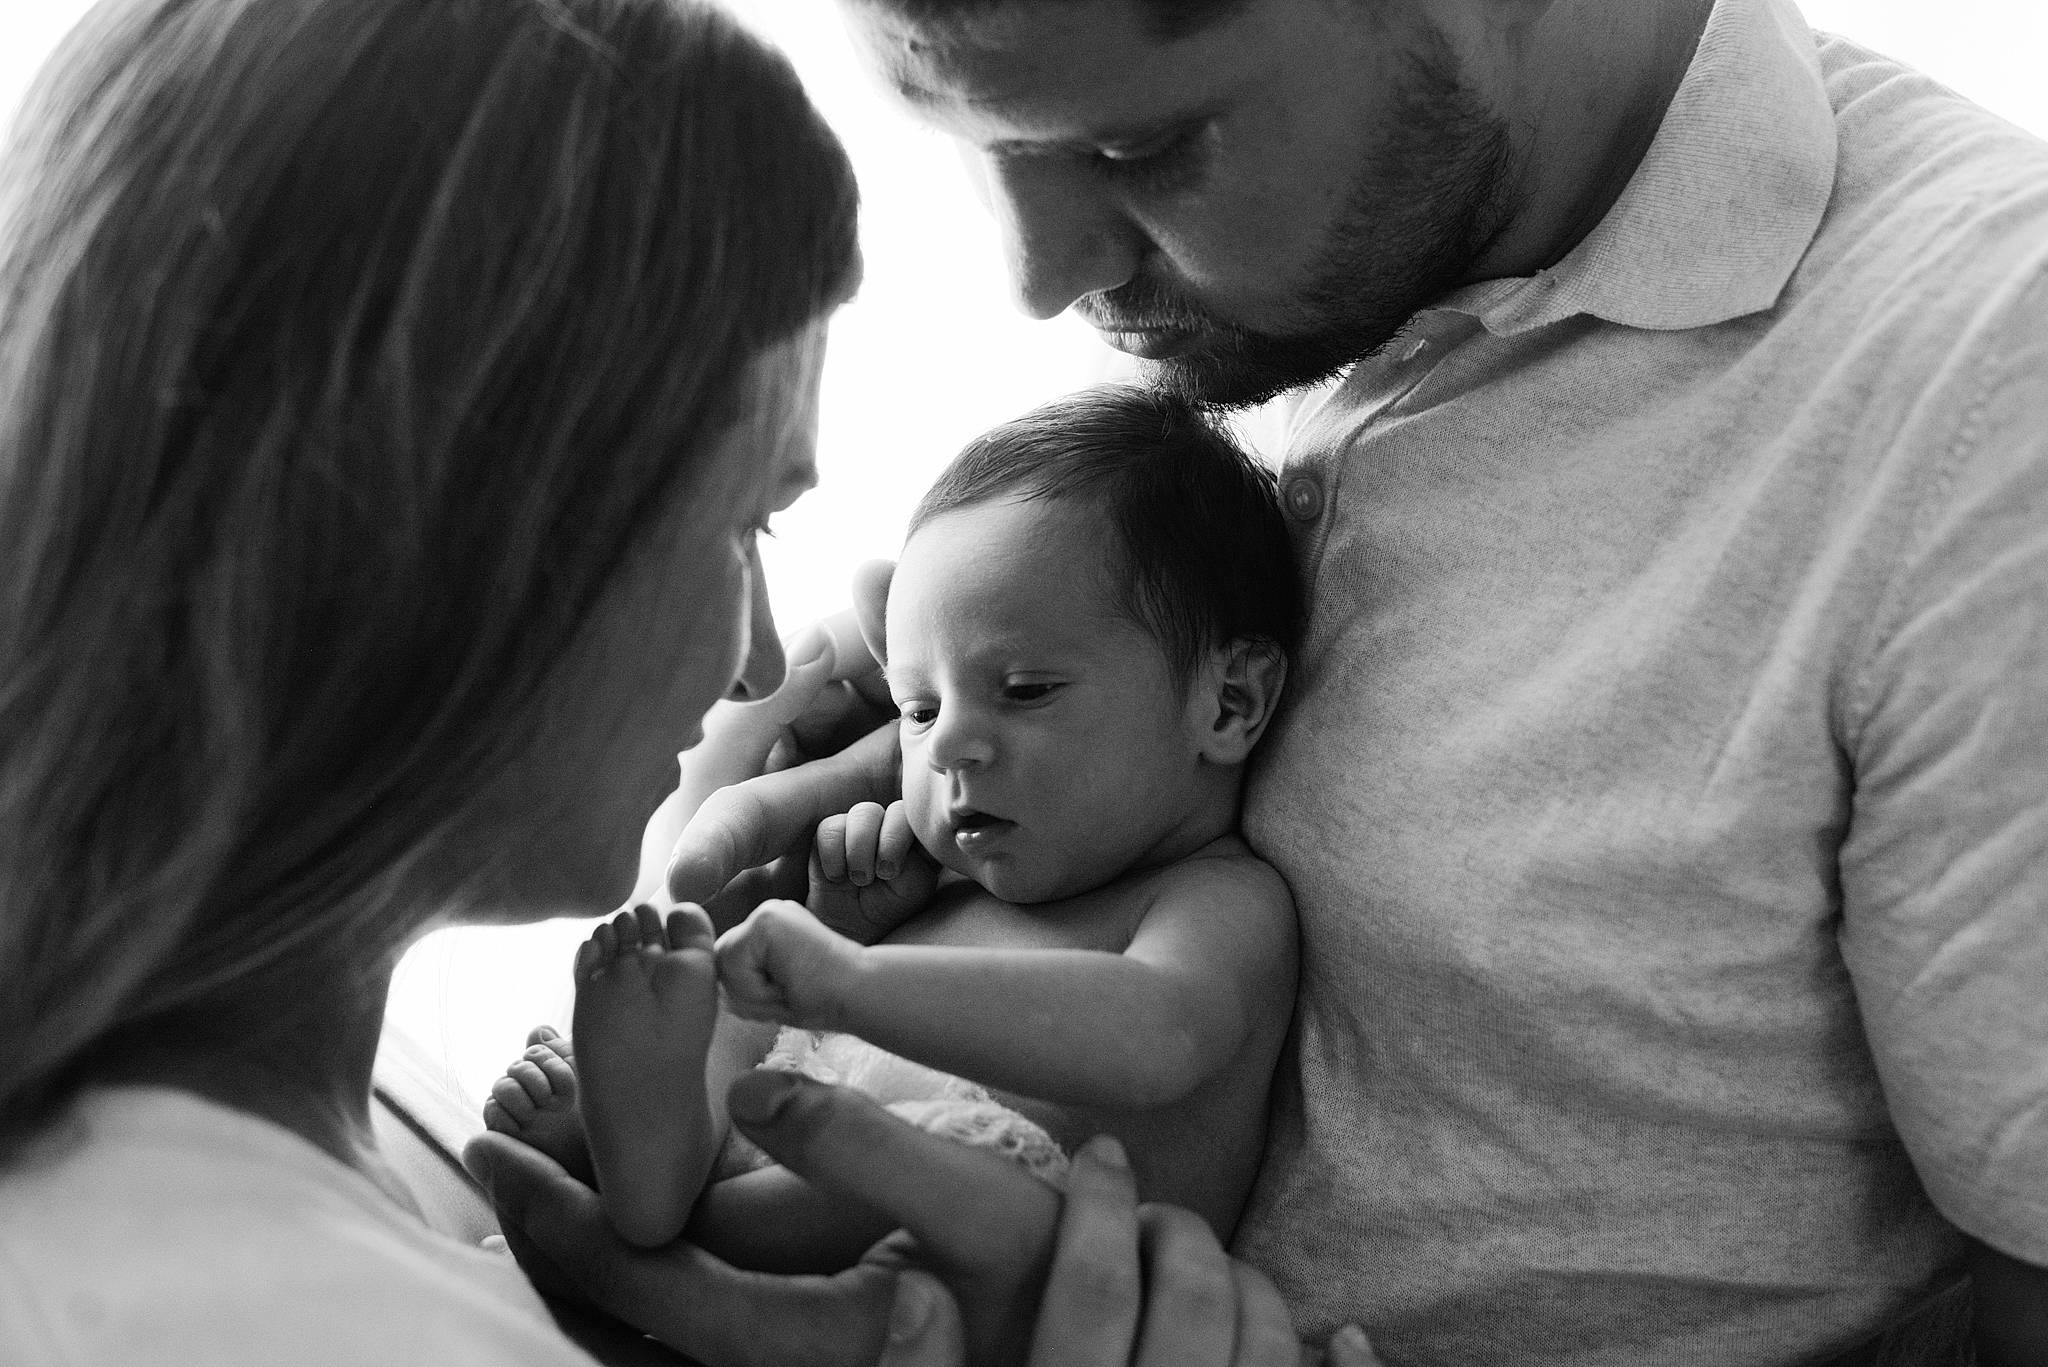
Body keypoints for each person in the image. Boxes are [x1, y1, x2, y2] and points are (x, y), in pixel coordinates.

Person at [479, 0, 2048, 1362]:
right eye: (962, 131)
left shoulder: (1988, 400)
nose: (1034, 280)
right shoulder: (1290, 271)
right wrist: (794, 768)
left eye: (1133, 150)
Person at [0, 2, 1320, 1365]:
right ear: (442, 528)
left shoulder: (341, 1121)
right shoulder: (213, 1300)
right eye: (742, 521)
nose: (763, 657)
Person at [482, 385, 1301, 1270]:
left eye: (1024, 689)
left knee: (963, 1149)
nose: (945, 743)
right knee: (726, 989)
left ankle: (658, 1222)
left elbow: (1157, 1038)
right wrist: (833, 926)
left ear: (1230, 699)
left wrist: (846, 977)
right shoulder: (938, 881)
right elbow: (810, 1020)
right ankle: (652, 1144)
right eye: (916, 707)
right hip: (789, 1148)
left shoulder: (1222, 898)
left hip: (1003, 1272)